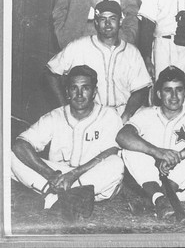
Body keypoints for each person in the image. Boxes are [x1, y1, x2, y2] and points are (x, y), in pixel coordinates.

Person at [11, 65, 124, 219]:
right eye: (74, 88)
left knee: (116, 163)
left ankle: (56, 198)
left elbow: (111, 151)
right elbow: (21, 144)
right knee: (8, 155)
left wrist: (73, 175)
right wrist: (50, 174)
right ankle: (60, 199)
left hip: (91, 180)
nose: (79, 94)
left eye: (85, 88)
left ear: (94, 92)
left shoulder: (108, 115)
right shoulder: (55, 116)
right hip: (57, 178)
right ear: (67, 92)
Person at [116, 66, 185, 219]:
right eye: (168, 90)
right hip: (151, 181)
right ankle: (159, 198)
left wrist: (178, 156)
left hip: (183, 186)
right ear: (158, 93)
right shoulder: (146, 114)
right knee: (130, 149)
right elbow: (123, 135)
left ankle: (157, 198)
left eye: (179, 90)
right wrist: (158, 152)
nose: (174, 96)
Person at [45, 0, 152, 124]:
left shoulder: (132, 52)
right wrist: (65, 108)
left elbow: (141, 89)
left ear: (120, 21)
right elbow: (50, 73)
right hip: (91, 115)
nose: (107, 23)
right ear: (96, 22)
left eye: (112, 18)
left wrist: (127, 114)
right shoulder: (79, 46)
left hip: (124, 113)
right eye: (102, 19)